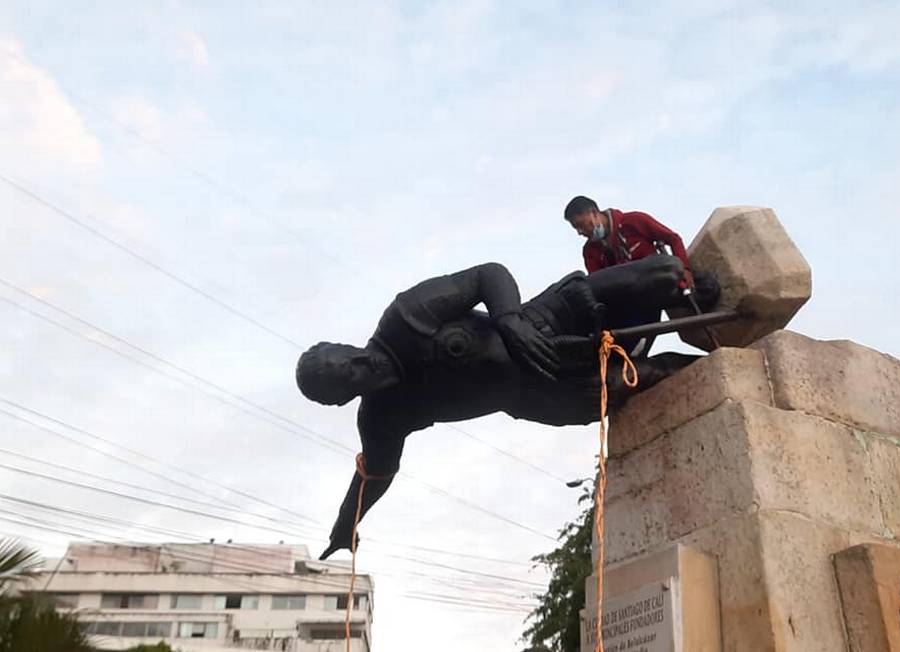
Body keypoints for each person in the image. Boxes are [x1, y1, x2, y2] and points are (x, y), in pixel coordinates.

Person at [297, 256, 701, 559]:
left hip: (544, 323)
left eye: (348, 358)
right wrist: (345, 525)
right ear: (343, 398)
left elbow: (486, 275)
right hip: (544, 394)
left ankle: (704, 300)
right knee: (652, 376)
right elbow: (375, 474)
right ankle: (717, 367)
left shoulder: (405, 317)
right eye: (347, 378)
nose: (360, 366)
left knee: (664, 275)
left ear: (344, 346)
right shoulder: (383, 415)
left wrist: (509, 319)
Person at [564, 195, 720, 351]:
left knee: (706, 290)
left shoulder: (634, 221)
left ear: (594, 213)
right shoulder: (590, 251)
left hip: (657, 289)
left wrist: (685, 269)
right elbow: (599, 284)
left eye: (581, 225)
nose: (580, 232)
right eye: (576, 228)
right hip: (628, 303)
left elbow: (672, 238)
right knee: (628, 345)